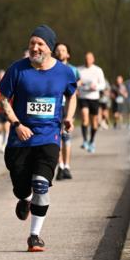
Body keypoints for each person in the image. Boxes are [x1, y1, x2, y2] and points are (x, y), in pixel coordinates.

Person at [0, 26, 77, 252]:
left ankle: (35, 236)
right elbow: (3, 99)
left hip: (49, 137)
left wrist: (69, 117)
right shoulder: (17, 69)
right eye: (32, 43)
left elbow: (72, 96)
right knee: (22, 189)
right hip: (19, 140)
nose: (35, 47)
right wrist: (17, 124)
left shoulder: (64, 72)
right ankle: (24, 199)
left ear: (50, 48)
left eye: (40, 43)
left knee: (41, 184)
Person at [53, 42, 80, 180]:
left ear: (68, 54)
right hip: (55, 106)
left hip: (68, 106)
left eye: (63, 50)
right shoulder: (51, 68)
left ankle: (67, 166)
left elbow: (76, 88)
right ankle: (60, 166)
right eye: (57, 50)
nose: (60, 52)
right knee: (56, 136)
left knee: (66, 136)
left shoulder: (73, 70)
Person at [76, 52, 106, 153]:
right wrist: (77, 86)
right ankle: (85, 141)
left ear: (93, 60)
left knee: (94, 122)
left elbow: (103, 84)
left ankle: (92, 141)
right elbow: (75, 82)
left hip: (94, 98)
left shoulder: (98, 70)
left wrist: (96, 87)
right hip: (83, 97)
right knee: (85, 117)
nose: (87, 60)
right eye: (86, 58)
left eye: (89, 58)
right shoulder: (79, 70)